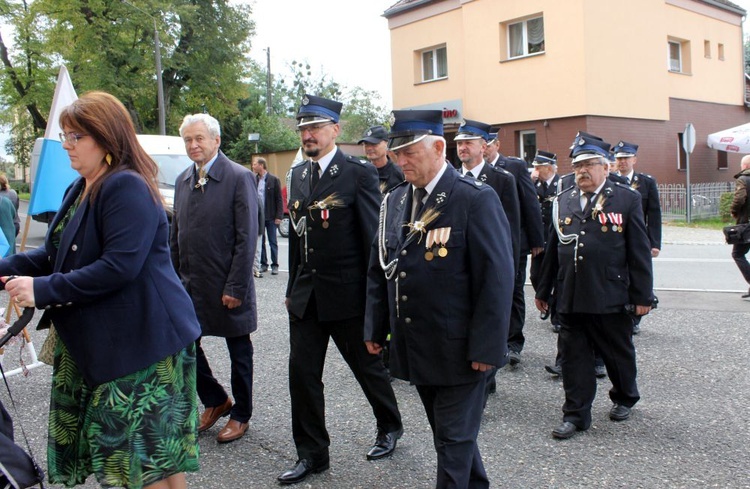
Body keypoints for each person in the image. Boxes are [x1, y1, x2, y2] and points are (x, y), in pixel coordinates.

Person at [0, 91, 201, 488]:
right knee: (153, 455)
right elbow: (53, 255)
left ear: (106, 138)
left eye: (76, 137)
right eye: (65, 137)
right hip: (114, 342)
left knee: (138, 460)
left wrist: (41, 291)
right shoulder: (81, 187)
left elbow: (117, 267)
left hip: (143, 344)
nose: (67, 146)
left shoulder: (125, 186)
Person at [365, 110, 514, 488]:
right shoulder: (397, 200)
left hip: (461, 349)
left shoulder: (473, 199)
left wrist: (487, 347)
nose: (401, 161)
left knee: (451, 441)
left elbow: (496, 280)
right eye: (397, 154)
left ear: (438, 148)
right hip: (417, 345)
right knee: (450, 437)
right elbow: (381, 267)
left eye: (410, 153)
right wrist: (375, 327)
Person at [279, 94, 402, 485]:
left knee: (367, 368)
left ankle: (390, 425)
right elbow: (299, 238)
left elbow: (371, 241)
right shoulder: (298, 175)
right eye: (303, 128)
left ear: (335, 130)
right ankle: (313, 455)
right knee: (302, 374)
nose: (308, 134)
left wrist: (375, 305)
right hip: (306, 296)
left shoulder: (357, 173)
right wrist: (290, 286)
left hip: (347, 295)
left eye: (315, 127)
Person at [534, 132, 654, 440]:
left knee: (617, 353)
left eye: (588, 165)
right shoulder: (564, 201)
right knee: (573, 357)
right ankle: (575, 414)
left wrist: (642, 296)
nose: (582, 172)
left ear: (605, 167)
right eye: (577, 166)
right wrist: (543, 290)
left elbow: (638, 251)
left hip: (609, 295)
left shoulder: (626, 199)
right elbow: (553, 249)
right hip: (570, 294)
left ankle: (625, 395)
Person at [171, 113, 258, 444]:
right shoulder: (182, 181)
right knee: (184, 345)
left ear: (216, 141)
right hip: (190, 285)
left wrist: (235, 286)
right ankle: (215, 400)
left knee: (239, 350)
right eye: (188, 140)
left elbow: (246, 237)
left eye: (199, 139)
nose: (193, 145)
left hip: (227, 286)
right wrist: (173, 280)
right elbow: (176, 235)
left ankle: (241, 414)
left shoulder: (238, 177)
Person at [484, 132, 544, 365]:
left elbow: (529, 202)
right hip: (486, 241)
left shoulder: (514, 167)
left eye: (488, 145)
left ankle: (513, 341)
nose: (485, 149)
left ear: (496, 145)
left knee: (514, 291)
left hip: (512, 241)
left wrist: (536, 240)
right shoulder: (469, 171)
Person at [529, 150, 560, 331]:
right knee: (535, 275)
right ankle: (546, 301)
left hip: (554, 238)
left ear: (548, 167)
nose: (535, 170)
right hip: (539, 240)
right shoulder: (534, 184)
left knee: (557, 279)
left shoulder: (560, 184)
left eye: (538, 167)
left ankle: (556, 316)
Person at [252, 156, 283, 275]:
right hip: (259, 216)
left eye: (255, 164)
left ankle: (275, 265)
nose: (253, 166)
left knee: (272, 241)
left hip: (271, 215)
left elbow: (279, 199)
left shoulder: (273, 179)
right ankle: (263, 264)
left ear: (261, 165)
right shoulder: (254, 179)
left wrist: (279, 216)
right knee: (261, 241)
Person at [358, 125, 404, 193]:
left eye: (374, 144)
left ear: (387, 144)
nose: (369, 148)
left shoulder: (399, 173)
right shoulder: (360, 172)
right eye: (366, 144)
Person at [730, 155, 750, 298]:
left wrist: (734, 211)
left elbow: (739, 198)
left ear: (745, 166)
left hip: (746, 224)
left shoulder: (743, 179)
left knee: (737, 253)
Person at [0, 173, 20, 238]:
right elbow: (16, 208)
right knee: (11, 246)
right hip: (15, 224)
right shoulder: (13, 193)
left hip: (3, 226)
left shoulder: (1, 197)